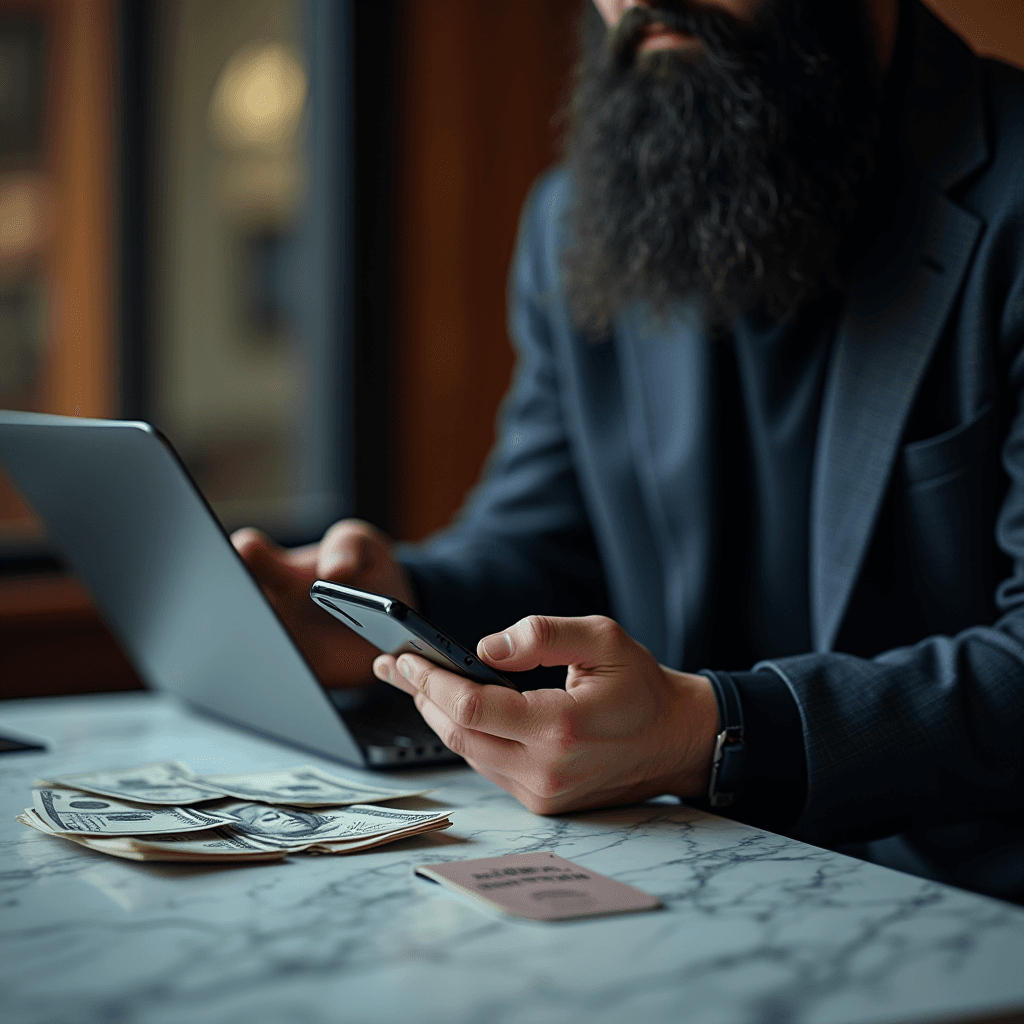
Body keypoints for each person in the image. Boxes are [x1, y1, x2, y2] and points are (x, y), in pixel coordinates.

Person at [234, 0, 1024, 903]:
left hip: (973, 909)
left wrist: (715, 734)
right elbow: (545, 540)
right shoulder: (578, 222)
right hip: (693, 873)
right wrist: (397, 606)